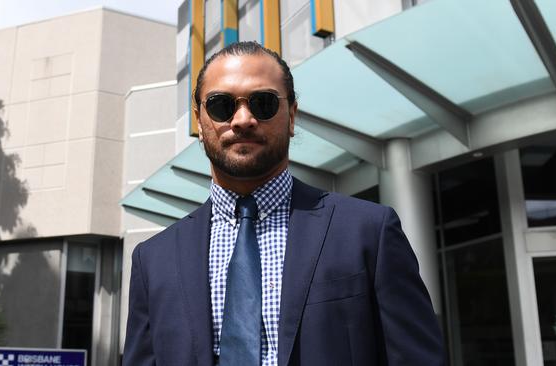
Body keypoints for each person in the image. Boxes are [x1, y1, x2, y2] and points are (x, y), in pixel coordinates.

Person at [123, 41, 444, 366]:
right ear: (199, 121)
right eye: (222, 105)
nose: (243, 119)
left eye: (263, 103)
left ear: (291, 115)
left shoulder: (368, 232)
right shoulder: (153, 261)